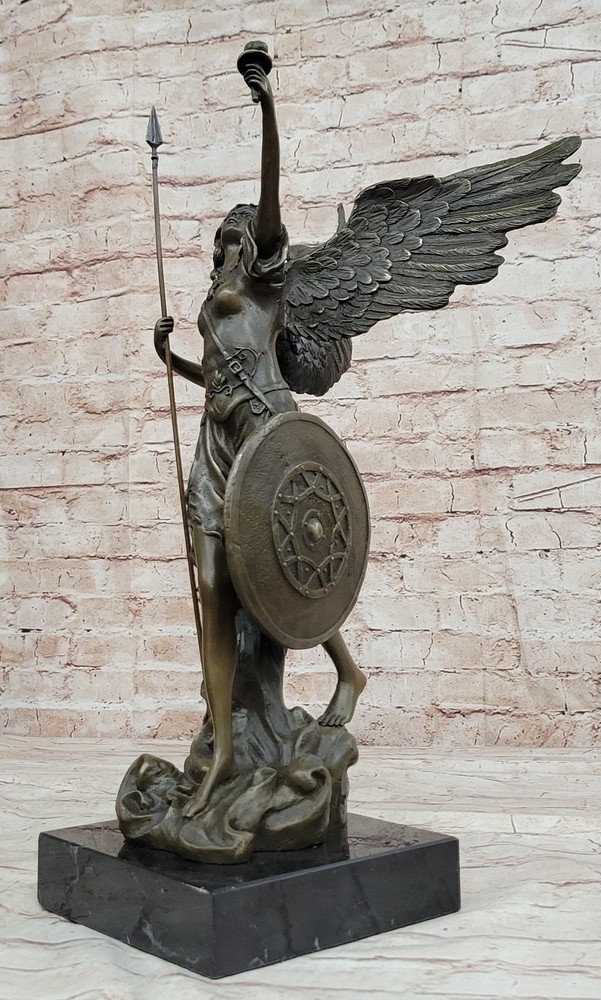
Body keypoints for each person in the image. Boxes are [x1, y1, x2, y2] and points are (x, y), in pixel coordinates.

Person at [154, 60, 365, 817]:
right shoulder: (217, 297)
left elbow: (271, 190)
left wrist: (267, 104)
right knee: (214, 591)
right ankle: (222, 747)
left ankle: (347, 672)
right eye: (219, 241)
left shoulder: (268, 283)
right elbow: (216, 377)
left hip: (266, 437)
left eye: (234, 237)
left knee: (287, 570)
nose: (224, 249)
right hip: (216, 448)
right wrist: (171, 360)